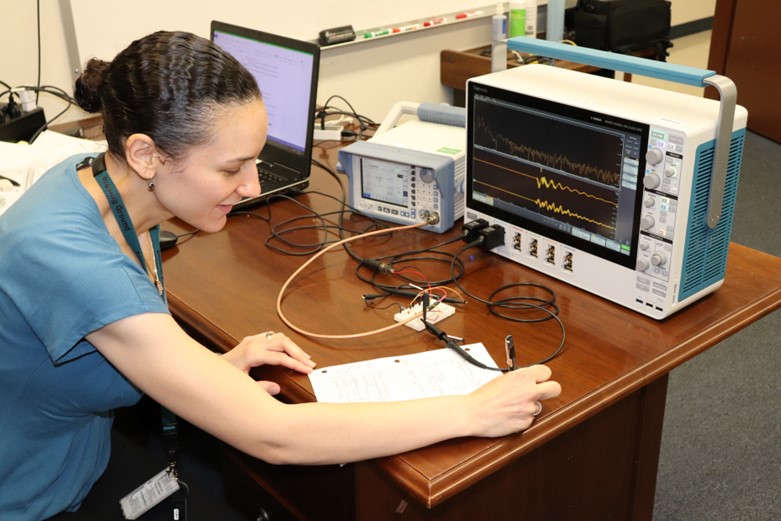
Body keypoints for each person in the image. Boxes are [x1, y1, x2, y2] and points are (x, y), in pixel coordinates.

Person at [0, 31, 561, 521]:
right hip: (31, 500)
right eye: (230, 168)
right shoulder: (71, 256)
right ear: (146, 154)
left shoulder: (105, 185)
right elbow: (274, 435)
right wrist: (472, 409)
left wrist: (205, 370)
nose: (251, 186)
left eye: (255, 161)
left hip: (77, 457)